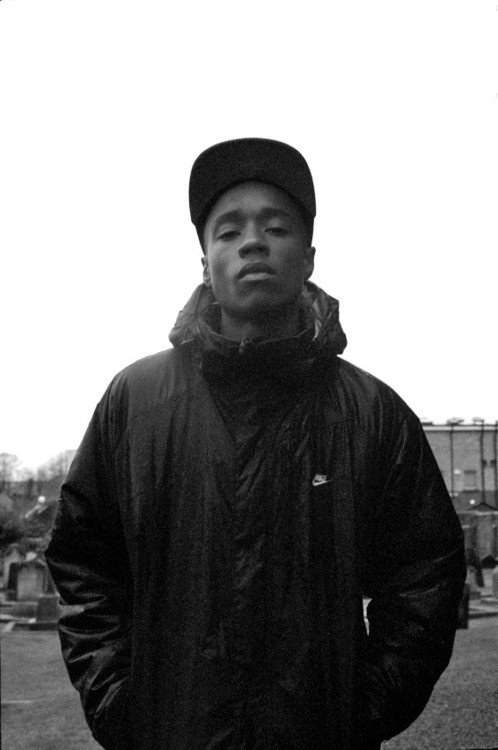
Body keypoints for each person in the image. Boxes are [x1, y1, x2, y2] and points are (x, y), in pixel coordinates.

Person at [46, 138, 466, 750]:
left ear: (309, 257)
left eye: (276, 226)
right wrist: (119, 701)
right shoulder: (135, 402)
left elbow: (426, 569)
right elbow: (84, 559)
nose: (252, 242)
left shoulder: (371, 412)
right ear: (205, 263)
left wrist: (367, 704)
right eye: (228, 230)